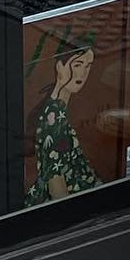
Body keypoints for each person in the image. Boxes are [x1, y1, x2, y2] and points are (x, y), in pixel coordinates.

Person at [25, 39, 101, 206]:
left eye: (88, 66)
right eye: (77, 65)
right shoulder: (53, 118)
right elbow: (56, 182)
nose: (82, 74)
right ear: (60, 67)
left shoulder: (58, 109)